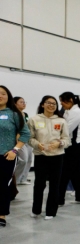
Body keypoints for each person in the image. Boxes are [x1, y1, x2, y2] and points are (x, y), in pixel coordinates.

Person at [28, 96, 71, 220]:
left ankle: (51, 211)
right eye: (48, 103)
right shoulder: (34, 119)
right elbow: (29, 138)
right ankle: (36, 210)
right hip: (40, 155)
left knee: (55, 184)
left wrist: (59, 144)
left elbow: (67, 139)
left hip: (57, 156)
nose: (51, 105)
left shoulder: (61, 121)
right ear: (42, 105)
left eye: (54, 104)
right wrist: (37, 144)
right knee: (39, 184)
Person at [0, 85, 30, 227]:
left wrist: (15, 150)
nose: (0, 96)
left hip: (7, 156)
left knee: (3, 185)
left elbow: (25, 133)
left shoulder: (14, 114)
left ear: (8, 96)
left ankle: (2, 214)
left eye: (3, 93)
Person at [58, 92, 80, 205]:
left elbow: (67, 129)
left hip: (76, 145)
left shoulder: (76, 112)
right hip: (73, 144)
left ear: (70, 100)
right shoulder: (68, 111)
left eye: (63, 101)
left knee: (65, 172)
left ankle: (59, 199)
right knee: (75, 172)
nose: (61, 103)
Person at [13, 97, 34, 185]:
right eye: (21, 102)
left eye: (24, 102)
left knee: (29, 159)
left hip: (27, 139)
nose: (24, 104)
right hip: (19, 140)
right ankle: (15, 180)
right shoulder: (13, 114)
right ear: (15, 104)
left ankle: (23, 178)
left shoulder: (25, 114)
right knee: (23, 160)